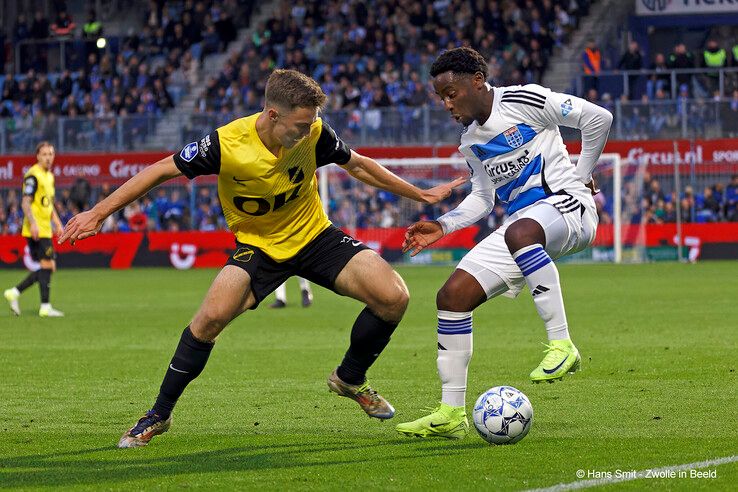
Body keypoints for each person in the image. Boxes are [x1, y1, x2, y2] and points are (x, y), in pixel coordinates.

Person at [59, 69, 465, 448]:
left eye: (310, 125)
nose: (307, 132)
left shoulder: (314, 132)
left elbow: (358, 165)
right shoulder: (227, 144)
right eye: (300, 125)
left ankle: (349, 377)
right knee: (208, 321)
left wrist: (421, 195)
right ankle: (159, 414)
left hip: (315, 236)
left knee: (394, 296)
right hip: (260, 248)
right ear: (273, 115)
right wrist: (98, 213)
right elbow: (159, 171)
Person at [395, 47, 613, 439]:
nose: (447, 104)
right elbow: (483, 197)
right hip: (523, 227)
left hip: (569, 208)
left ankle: (562, 344)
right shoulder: (470, 141)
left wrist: (582, 175)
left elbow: (598, 118)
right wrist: (442, 226)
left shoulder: (523, 99)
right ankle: (450, 412)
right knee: (452, 296)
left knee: (520, 232)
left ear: (477, 81)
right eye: (440, 97)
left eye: (451, 93)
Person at [4, 142, 65, 317]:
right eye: (44, 154)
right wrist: (33, 223)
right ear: (37, 156)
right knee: (48, 265)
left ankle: (15, 292)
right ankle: (44, 307)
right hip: (35, 229)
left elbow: (49, 204)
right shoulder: (33, 176)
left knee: (49, 266)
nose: (48, 157)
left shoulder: (50, 177)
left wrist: (58, 223)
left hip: (46, 228)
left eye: (51, 154)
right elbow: (25, 202)